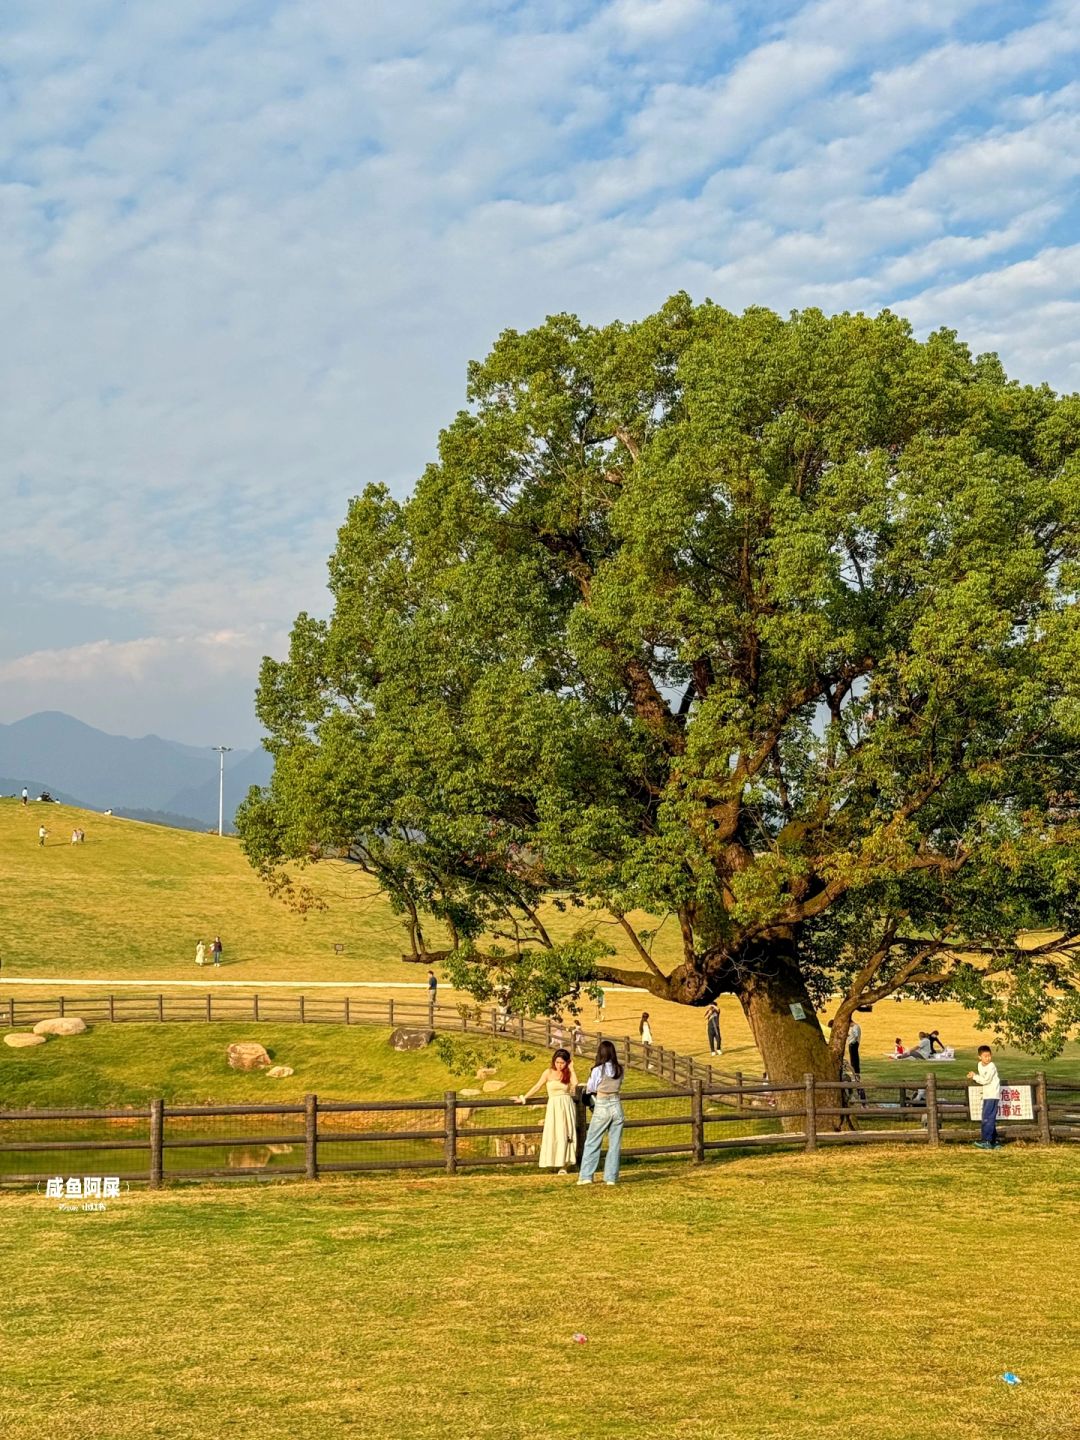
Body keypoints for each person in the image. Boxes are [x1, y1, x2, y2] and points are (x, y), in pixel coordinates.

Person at [516, 1049, 578, 1173]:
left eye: (562, 1063)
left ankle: (564, 1165)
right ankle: (553, 1161)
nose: (559, 1065)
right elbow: (537, 1086)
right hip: (554, 1106)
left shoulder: (567, 1073)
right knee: (554, 1133)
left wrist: (571, 1069)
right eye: (557, 1062)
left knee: (566, 1133)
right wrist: (524, 1098)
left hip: (566, 1105)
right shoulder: (548, 1072)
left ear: (567, 1062)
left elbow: (575, 1083)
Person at [578, 1040, 625, 1186]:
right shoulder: (620, 1069)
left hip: (602, 1104)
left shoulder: (598, 1070)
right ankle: (611, 1177)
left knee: (593, 1141)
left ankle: (587, 1175)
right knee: (615, 1143)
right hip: (616, 1104)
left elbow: (592, 1087)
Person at [967, 1044, 1002, 1149]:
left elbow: (986, 1080)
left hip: (992, 1095)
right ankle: (994, 1141)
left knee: (987, 1118)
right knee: (988, 1117)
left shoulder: (992, 1066)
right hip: (987, 1095)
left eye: (989, 1056)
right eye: (985, 1056)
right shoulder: (979, 1065)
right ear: (979, 1057)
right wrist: (974, 1076)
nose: (988, 1058)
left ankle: (987, 1141)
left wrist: (974, 1077)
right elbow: (982, 1077)